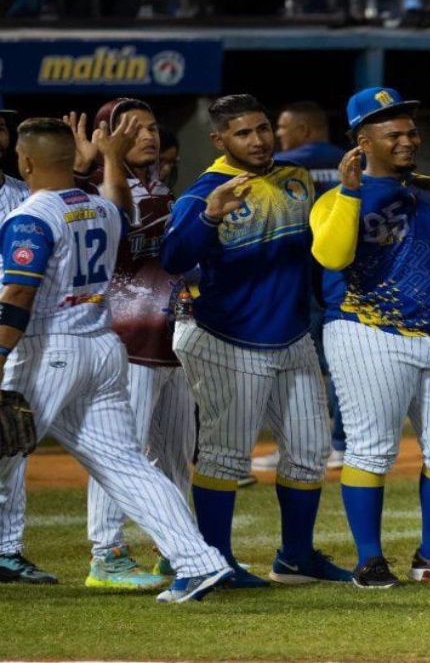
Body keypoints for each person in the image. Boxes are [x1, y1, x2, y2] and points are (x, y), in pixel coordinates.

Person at [0, 117, 234, 602]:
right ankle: (199, 562)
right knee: (126, 465)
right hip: (103, 347)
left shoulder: (29, 216)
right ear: (69, 159)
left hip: (48, 349)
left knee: (11, 451)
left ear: (25, 163)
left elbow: (19, 291)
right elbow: (120, 206)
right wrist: (108, 158)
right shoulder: (102, 208)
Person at [310, 87, 430, 587]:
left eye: (410, 132)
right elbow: (331, 257)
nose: (407, 140)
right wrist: (351, 193)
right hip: (367, 331)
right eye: (391, 133)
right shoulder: (334, 197)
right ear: (362, 141)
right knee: (371, 451)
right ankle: (369, 561)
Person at [162, 94, 350, 588]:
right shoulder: (204, 191)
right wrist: (209, 216)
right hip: (228, 337)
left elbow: (312, 256)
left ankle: (296, 556)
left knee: (310, 452)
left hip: (292, 337)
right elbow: (172, 257)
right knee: (225, 455)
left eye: (263, 128)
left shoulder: (296, 178)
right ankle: (215, 563)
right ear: (219, 140)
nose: (259, 139)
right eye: (244, 133)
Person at [55, 99, 199, 589]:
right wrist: (101, 162)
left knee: (177, 452)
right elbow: (115, 228)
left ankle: (175, 548)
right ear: (104, 137)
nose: (147, 136)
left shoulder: (161, 187)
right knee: (122, 452)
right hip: (125, 340)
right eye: (131, 129)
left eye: (152, 127)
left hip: (170, 338)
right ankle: (107, 553)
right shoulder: (88, 191)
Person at [254, 100, 348, 473]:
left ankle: (296, 445)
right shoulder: (350, 162)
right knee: (342, 366)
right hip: (344, 278)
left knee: (295, 366)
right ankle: (343, 444)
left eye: (282, 127)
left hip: (297, 280)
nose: (277, 135)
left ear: (305, 130)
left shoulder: (287, 167)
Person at [0, 104, 44, 587]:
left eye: (3, 124)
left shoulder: (24, 196)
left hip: (14, 331)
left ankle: (7, 550)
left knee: (10, 443)